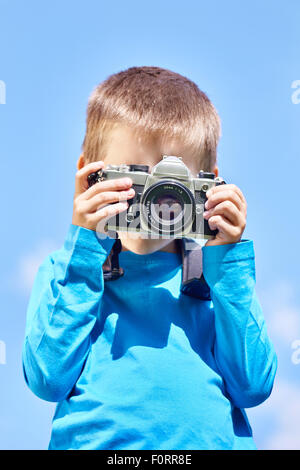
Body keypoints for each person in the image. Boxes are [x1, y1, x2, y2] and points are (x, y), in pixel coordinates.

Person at [22, 66, 277, 450]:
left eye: (172, 184)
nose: (158, 200)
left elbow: (253, 387)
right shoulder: (68, 270)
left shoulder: (215, 279)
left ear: (209, 185)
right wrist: (86, 248)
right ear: (88, 175)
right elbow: (47, 378)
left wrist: (227, 262)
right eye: (137, 177)